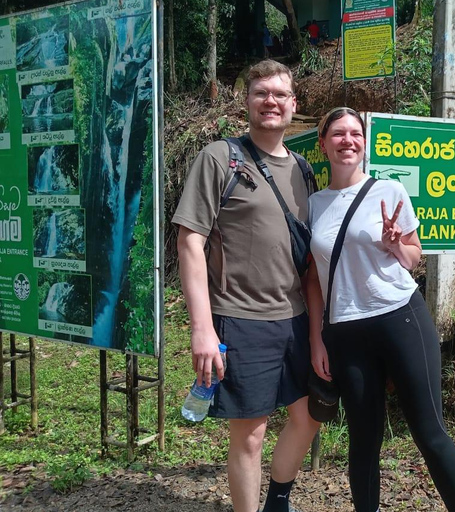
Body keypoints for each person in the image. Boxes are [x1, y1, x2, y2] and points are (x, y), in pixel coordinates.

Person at [305, 107, 455, 512]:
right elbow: (312, 277)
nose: (348, 140)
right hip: (345, 330)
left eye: (355, 134)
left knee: (429, 431)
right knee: (363, 439)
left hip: (400, 316)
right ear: (323, 143)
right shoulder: (312, 204)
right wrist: (316, 338)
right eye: (338, 134)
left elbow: (414, 258)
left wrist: (395, 243)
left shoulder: (389, 192)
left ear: (365, 143)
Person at [172, 59, 320, 512]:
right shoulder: (220, 157)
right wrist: (202, 329)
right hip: (241, 317)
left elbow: (311, 260)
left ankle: (278, 500)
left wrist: (317, 331)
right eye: (261, 93)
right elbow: (189, 243)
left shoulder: (303, 168)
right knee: (250, 433)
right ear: (248, 101)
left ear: (294, 105)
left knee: (310, 416)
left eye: (280, 94)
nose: (270, 101)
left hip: (294, 318)